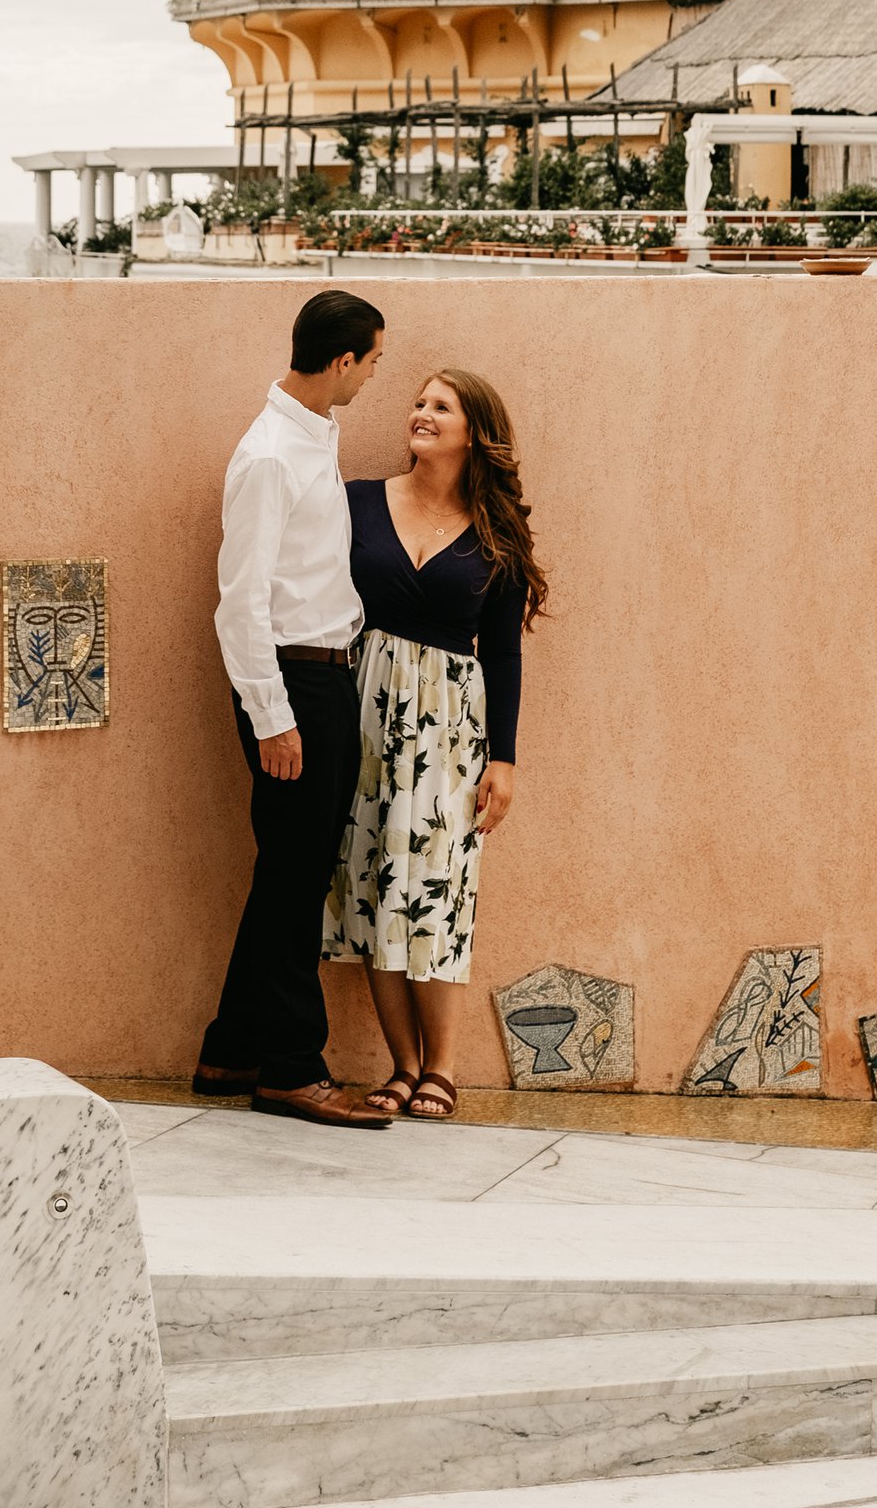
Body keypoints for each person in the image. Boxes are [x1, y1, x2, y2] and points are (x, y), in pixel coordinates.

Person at [323, 368, 548, 1121]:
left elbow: (505, 654)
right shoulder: (355, 501)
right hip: (362, 710)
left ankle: (442, 1068)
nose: (420, 414)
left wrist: (505, 760)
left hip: (451, 728)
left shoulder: (496, 533)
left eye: (439, 407)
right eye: (418, 402)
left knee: (438, 892)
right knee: (371, 887)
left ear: (472, 431)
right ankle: (402, 1064)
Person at [194, 288, 395, 1129]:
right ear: (343, 360)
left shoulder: (314, 435)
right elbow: (239, 602)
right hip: (293, 687)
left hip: (326, 678)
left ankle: (230, 1048)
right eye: (374, 361)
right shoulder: (271, 455)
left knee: (287, 873)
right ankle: (289, 1068)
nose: (376, 375)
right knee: (295, 883)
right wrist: (272, 716)